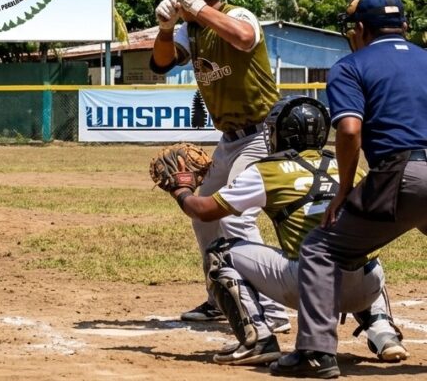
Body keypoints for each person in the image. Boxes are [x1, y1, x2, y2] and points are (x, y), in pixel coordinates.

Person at [168, 96, 405, 367]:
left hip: (311, 288)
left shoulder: (268, 171)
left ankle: (257, 339)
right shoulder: (353, 169)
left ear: (283, 134)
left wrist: (180, 191)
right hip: (368, 287)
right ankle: (383, 330)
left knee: (221, 253)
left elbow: (204, 211)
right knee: (358, 248)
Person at [273, 0, 427, 378]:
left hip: (401, 173)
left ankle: (315, 352)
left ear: (360, 29)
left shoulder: (352, 65)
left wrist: (344, 187)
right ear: (404, 26)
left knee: (321, 248)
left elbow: (349, 129)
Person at [149, 0, 288, 328]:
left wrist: (195, 7)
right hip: (230, 140)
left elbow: (243, 38)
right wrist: (165, 29)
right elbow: (160, 64)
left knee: (238, 218)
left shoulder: (239, 14)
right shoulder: (189, 31)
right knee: (203, 215)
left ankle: (272, 312)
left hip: (263, 133)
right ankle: (222, 295)